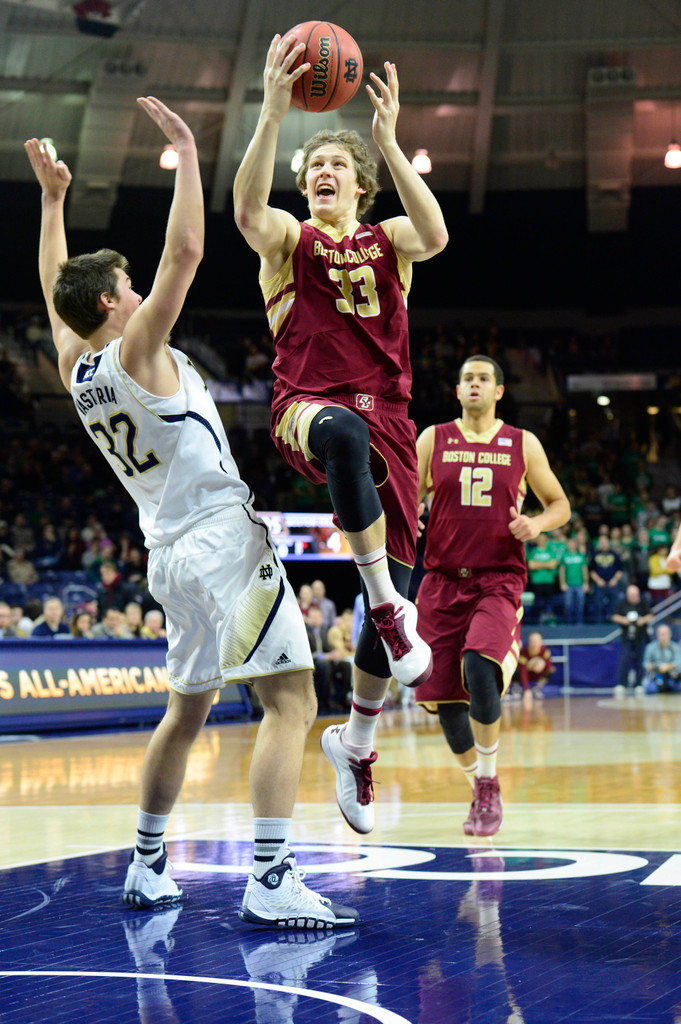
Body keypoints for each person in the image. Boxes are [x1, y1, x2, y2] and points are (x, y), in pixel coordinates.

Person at [26, 98, 356, 929]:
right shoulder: (136, 350)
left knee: (188, 709)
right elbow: (189, 248)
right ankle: (273, 876)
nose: (138, 291)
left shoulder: (78, 366)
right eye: (125, 287)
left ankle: (145, 863)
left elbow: (52, 294)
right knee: (291, 703)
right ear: (109, 305)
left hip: (166, 555)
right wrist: (184, 150)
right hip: (218, 543)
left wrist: (54, 203)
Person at [233, 37, 448, 833]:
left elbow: (436, 237)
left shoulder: (390, 240)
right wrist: (274, 113)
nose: (322, 171)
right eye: (312, 163)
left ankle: (355, 741)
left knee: (391, 573)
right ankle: (391, 612)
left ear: (359, 184)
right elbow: (247, 213)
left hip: (391, 417)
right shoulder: (291, 238)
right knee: (345, 437)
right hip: (308, 406)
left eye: (336, 164)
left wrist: (389, 144)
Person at [413, 356, 570, 836]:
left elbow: (560, 504)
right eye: (467, 379)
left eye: (483, 378)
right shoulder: (432, 439)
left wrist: (536, 523)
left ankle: (487, 783)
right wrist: (411, 512)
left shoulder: (523, 443)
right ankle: (481, 784)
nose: (474, 385)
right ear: (457, 390)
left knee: (480, 665)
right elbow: (406, 495)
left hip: (497, 580)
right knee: (446, 704)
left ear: (499, 390)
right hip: (440, 582)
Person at [611, 584, 653, 696]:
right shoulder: (622, 603)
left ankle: (639, 684)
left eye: (635, 595)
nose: (634, 597)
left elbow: (651, 615)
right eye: (631, 595)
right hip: (627, 638)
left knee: (640, 661)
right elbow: (614, 616)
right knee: (624, 660)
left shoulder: (643, 603)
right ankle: (621, 684)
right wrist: (623, 620)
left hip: (641, 637)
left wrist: (642, 620)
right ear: (627, 595)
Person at [589, 535, 623, 622]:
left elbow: (620, 570)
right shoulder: (595, 554)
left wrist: (615, 579)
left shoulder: (614, 554)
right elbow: (591, 570)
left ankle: (614, 623)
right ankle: (599, 623)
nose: (603, 544)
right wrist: (598, 580)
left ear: (608, 543)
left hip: (613, 584)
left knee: (615, 605)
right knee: (598, 604)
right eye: (602, 542)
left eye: (605, 542)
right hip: (599, 584)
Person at [559, 534, 590, 625]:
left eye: (573, 543)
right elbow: (562, 570)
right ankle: (568, 622)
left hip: (580, 584)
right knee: (567, 605)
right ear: (567, 545)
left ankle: (579, 622)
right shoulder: (564, 556)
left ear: (576, 545)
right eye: (570, 543)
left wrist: (586, 583)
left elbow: (585, 570)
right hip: (568, 584)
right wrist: (562, 583)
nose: (571, 545)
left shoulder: (581, 556)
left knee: (580, 605)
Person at [642, 623, 681, 694]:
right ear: (657, 635)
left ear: (670, 635)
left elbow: (679, 662)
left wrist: (668, 666)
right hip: (656, 675)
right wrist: (652, 666)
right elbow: (645, 663)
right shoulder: (650, 647)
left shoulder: (675, 647)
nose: (663, 637)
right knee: (651, 690)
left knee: (678, 688)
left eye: (665, 634)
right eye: (661, 634)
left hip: (672, 676)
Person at [517, 630, 555, 699]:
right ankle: (516, 689)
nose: (534, 643)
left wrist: (542, 663)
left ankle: (537, 688)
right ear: (529, 642)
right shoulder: (523, 652)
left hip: (538, 674)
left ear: (540, 641)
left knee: (551, 670)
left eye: (536, 641)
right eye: (532, 641)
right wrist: (526, 689)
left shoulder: (544, 651)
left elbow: (549, 667)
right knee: (516, 670)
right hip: (526, 674)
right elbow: (523, 671)